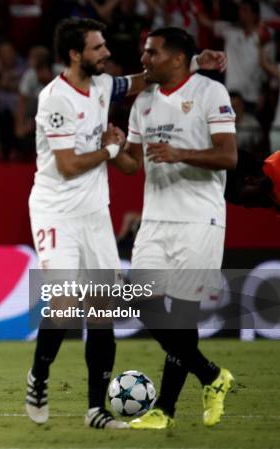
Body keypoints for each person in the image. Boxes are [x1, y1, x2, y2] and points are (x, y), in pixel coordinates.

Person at [24, 18, 227, 430]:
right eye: (98, 48)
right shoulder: (55, 99)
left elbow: (141, 79)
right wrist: (111, 149)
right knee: (64, 302)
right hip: (55, 211)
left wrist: (195, 63)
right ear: (76, 54)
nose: (107, 54)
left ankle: (96, 409)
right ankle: (39, 376)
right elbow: (66, 166)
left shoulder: (103, 85)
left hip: (95, 211)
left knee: (101, 309)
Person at [113, 27, 237, 429]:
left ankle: (164, 410)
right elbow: (134, 164)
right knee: (144, 302)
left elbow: (228, 156)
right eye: (144, 52)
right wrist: (114, 150)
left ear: (178, 58)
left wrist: (179, 153)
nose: (145, 59)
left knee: (182, 318)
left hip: (199, 218)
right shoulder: (143, 102)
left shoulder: (209, 93)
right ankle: (212, 375)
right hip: (155, 219)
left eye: (152, 53)